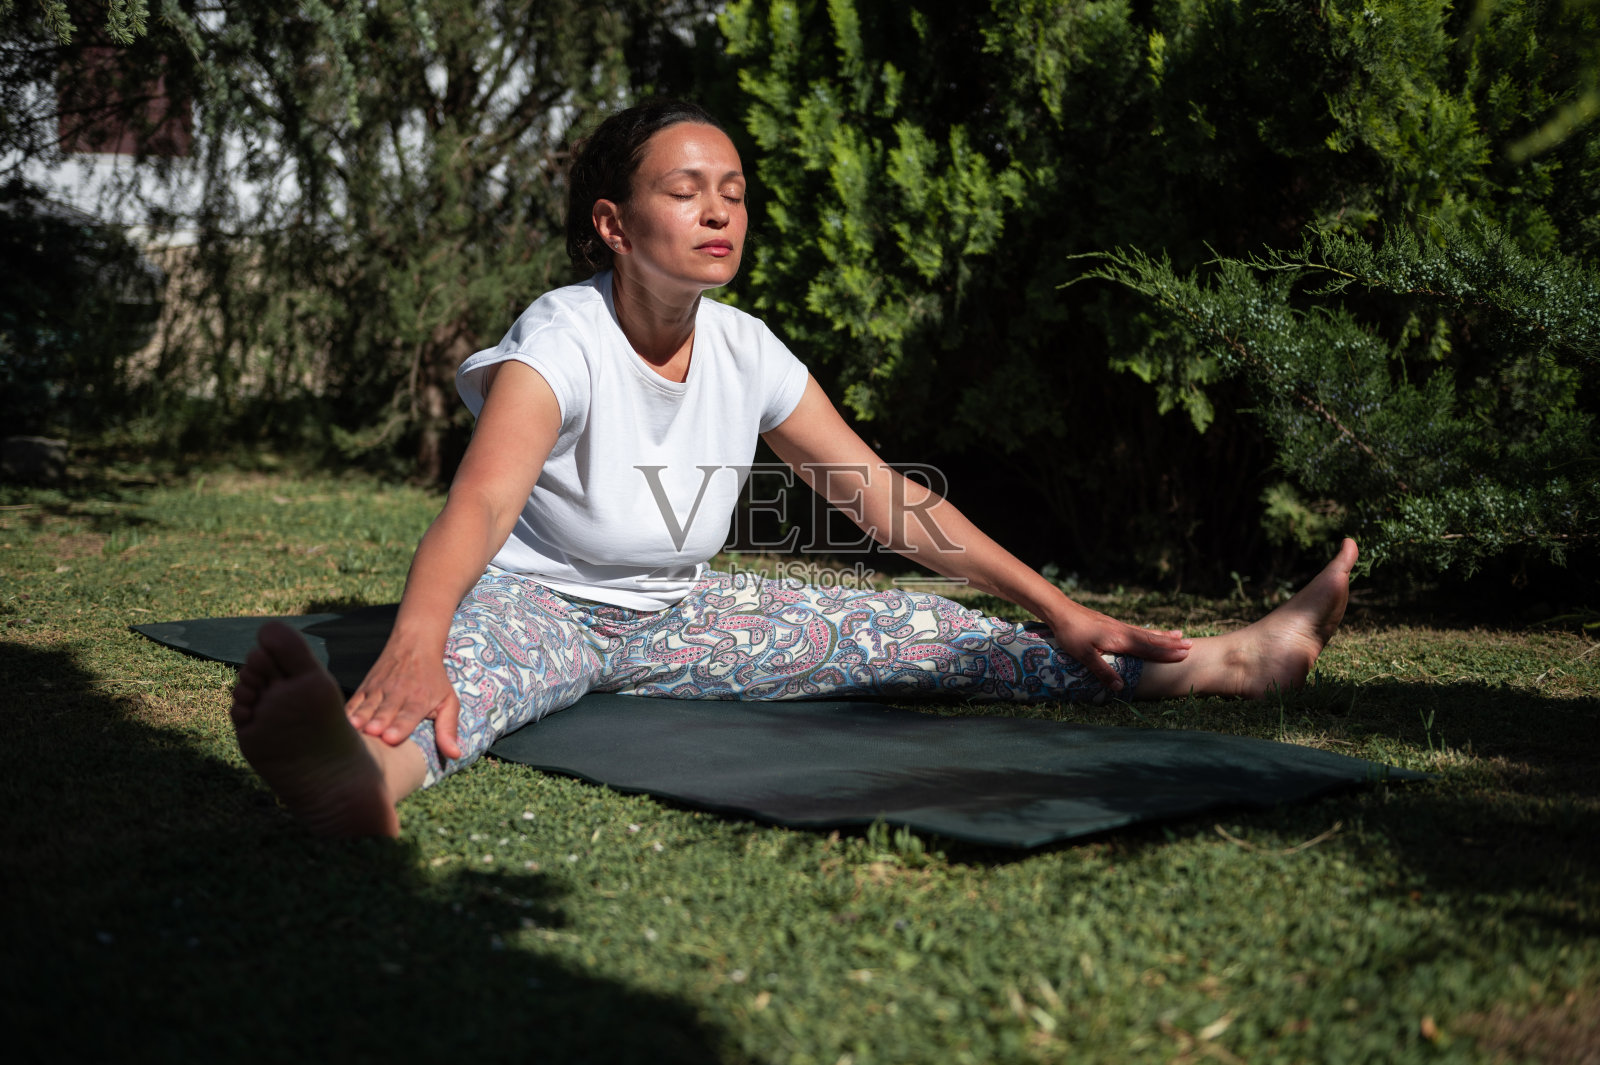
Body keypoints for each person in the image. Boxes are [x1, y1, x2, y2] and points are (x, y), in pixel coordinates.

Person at [230, 99, 1359, 838]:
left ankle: (1225, 664)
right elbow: (480, 502)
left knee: (938, 637)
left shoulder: (747, 347)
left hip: (680, 616)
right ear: (614, 226)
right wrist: (417, 645)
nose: (718, 207)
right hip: (543, 606)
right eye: (684, 189)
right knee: (470, 688)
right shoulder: (559, 339)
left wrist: (1058, 606)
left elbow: (887, 502)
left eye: (731, 188)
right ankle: (356, 785)